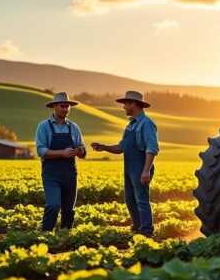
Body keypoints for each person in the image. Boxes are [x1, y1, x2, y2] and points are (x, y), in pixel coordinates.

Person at [91, 91, 159, 237]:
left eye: (125, 104)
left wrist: (146, 170)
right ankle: (137, 228)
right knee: (130, 200)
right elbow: (121, 147)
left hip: (140, 167)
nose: (123, 107)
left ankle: (147, 232)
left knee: (141, 200)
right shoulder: (130, 126)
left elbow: (152, 148)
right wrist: (104, 147)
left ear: (133, 104)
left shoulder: (146, 123)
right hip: (129, 168)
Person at [35, 92, 87, 231]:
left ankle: (64, 238)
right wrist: (62, 153)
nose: (65, 109)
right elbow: (41, 151)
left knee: (69, 210)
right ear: (54, 106)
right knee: (53, 205)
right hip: (51, 174)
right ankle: (45, 235)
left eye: (67, 107)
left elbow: (82, 148)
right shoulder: (43, 127)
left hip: (70, 173)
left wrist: (80, 151)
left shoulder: (74, 127)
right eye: (62, 106)